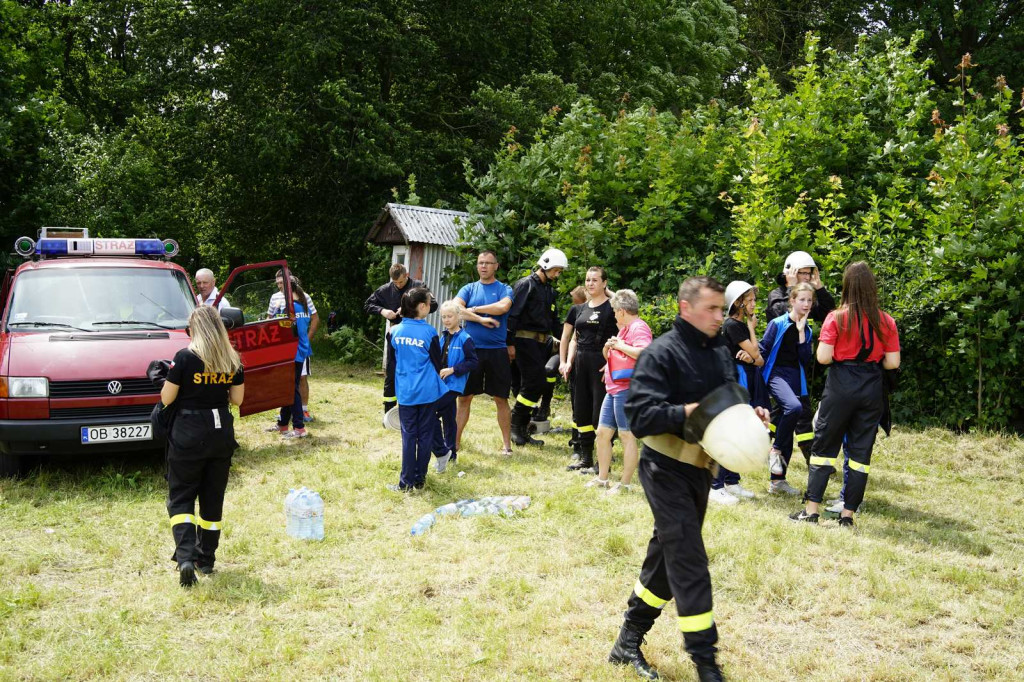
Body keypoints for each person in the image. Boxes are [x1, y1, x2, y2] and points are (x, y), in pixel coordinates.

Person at [609, 277, 770, 682]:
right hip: (664, 469)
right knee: (690, 560)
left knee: (666, 561)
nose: (720, 316)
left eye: (721, 309)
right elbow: (641, 417)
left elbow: (728, 395)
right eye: (712, 309)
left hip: (701, 470)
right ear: (686, 308)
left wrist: (746, 414)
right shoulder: (661, 353)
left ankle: (627, 642)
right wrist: (688, 412)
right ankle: (706, 664)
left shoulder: (718, 349)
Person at [790, 262, 900, 526]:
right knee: (861, 454)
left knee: (824, 447)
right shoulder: (886, 320)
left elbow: (824, 357)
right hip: (871, 386)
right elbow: (893, 363)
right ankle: (848, 515)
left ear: (846, 286)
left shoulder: (836, 317)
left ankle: (812, 510)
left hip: (841, 384)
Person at [159, 305, 244, 587]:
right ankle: (205, 559)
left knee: (181, 496)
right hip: (220, 433)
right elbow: (238, 400)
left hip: (188, 433)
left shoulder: (184, 358)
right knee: (212, 499)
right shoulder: (232, 359)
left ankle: (185, 557)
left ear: (194, 329)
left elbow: (168, 398)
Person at [586, 289, 651, 493]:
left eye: (615, 311)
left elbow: (643, 353)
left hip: (628, 390)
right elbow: (620, 358)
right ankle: (602, 478)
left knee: (626, 436)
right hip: (614, 389)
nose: (614, 315)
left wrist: (620, 345)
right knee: (603, 434)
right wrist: (609, 350)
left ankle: (625, 484)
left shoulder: (639, 328)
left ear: (622, 311)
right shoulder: (624, 329)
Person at [709, 281, 768, 505]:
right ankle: (715, 486)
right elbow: (755, 351)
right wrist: (753, 332)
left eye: (754, 299)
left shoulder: (740, 325)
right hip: (734, 381)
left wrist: (753, 355)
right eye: (750, 300)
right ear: (738, 303)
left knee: (741, 432)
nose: (754, 304)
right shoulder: (733, 325)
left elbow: (759, 359)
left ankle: (731, 482)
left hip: (746, 378)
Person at [387, 287, 449, 492]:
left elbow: (393, 364)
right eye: (429, 303)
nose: (432, 305)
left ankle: (405, 483)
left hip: (406, 392)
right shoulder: (430, 333)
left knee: (408, 437)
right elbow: (437, 362)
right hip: (427, 392)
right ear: (422, 307)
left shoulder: (394, 332)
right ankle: (420, 480)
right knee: (425, 436)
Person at [453, 251, 515, 454]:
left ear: (496, 266)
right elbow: (456, 309)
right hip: (472, 351)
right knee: (464, 398)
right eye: (481, 263)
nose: (484, 266)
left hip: (497, 351)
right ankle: (455, 442)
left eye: (488, 263)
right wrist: (481, 319)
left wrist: (475, 309)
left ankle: (507, 445)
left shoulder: (504, 288)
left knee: (501, 398)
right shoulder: (469, 288)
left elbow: (502, 307)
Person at [506, 248, 567, 448]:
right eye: (556, 270)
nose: (557, 275)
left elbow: (555, 321)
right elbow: (512, 315)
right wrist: (510, 343)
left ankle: (522, 429)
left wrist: (570, 336)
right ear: (546, 264)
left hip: (542, 343)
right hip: (524, 341)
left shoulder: (549, 290)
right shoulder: (526, 285)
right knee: (535, 382)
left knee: (536, 384)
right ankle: (516, 425)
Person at [759, 283, 816, 496]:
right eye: (802, 299)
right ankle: (774, 450)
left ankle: (777, 482)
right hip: (776, 375)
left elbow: (805, 360)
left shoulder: (807, 330)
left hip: (794, 378)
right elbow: (764, 351)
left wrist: (801, 334)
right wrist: (758, 383)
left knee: (788, 426)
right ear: (792, 301)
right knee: (794, 408)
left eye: (809, 300)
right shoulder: (777, 323)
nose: (806, 304)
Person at [561, 267, 617, 472]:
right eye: (587, 280)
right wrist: (567, 361)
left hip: (601, 364)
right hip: (580, 364)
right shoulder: (579, 309)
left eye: (595, 280)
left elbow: (629, 303)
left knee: (599, 415)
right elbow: (573, 339)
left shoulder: (613, 307)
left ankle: (603, 462)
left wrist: (612, 363)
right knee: (581, 412)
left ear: (604, 283)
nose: (590, 283)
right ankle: (585, 458)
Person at [364, 263, 436, 417]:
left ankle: (418, 409)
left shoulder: (418, 286)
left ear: (407, 275)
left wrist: (409, 308)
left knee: (417, 370)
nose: (398, 285)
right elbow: (367, 304)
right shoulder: (385, 289)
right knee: (392, 371)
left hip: (416, 334)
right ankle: (389, 413)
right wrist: (382, 311)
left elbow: (434, 304)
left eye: (401, 282)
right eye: (395, 283)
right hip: (396, 335)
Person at [432, 301, 478, 472]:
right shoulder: (443, 336)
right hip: (441, 384)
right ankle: (451, 453)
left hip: (454, 385)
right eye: (443, 317)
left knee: (432, 411)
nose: (446, 320)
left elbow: (473, 362)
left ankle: (441, 450)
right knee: (449, 419)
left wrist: (453, 370)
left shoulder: (465, 339)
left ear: (459, 317)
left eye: (450, 316)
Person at [268, 271, 319, 422]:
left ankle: (302, 412)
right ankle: (285, 415)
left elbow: (315, 319)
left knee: (299, 379)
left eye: (282, 282)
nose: (280, 286)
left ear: (290, 281)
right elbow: (269, 320)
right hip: (283, 348)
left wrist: (307, 339)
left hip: (299, 348)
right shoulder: (275, 298)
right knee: (286, 381)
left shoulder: (303, 298)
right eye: (277, 283)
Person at [766, 250, 835, 322]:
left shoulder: (807, 296)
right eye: (803, 273)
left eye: (809, 273)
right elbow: (785, 318)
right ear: (791, 273)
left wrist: (820, 289)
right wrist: (791, 288)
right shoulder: (776, 295)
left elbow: (829, 315)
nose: (807, 278)